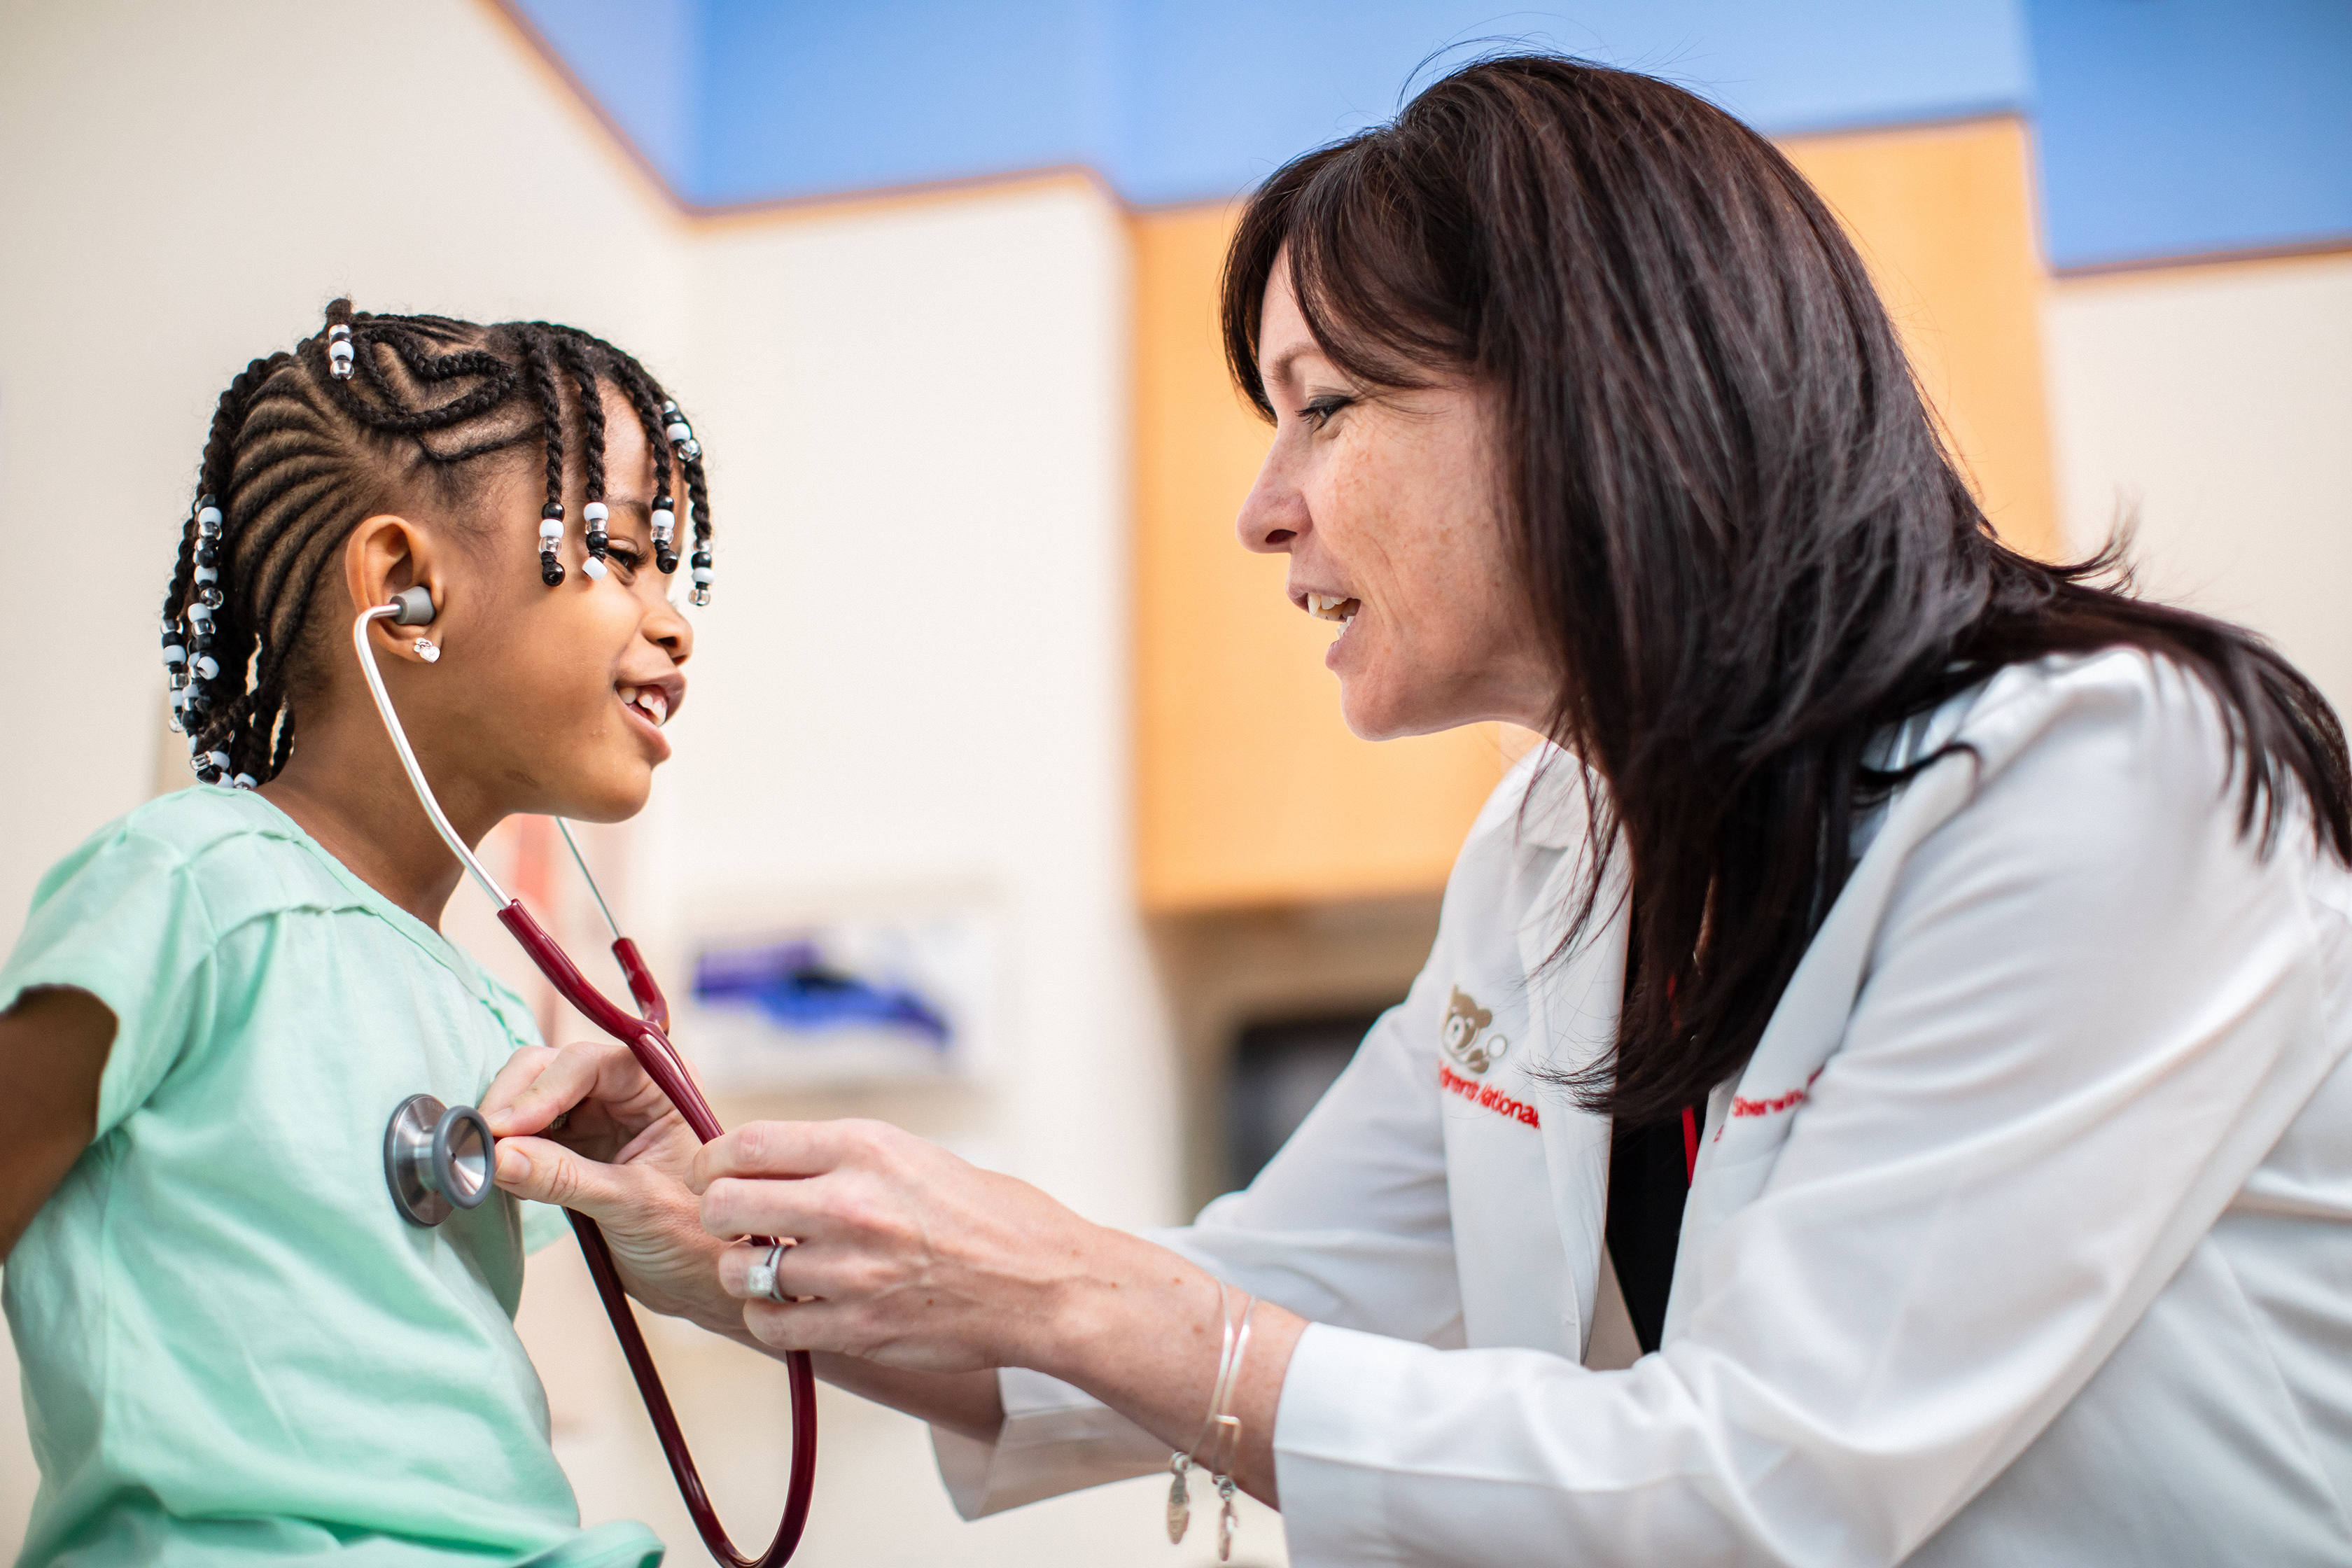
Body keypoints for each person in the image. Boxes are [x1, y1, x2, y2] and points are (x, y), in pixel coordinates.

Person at [485, 55, 2352, 1567]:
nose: (1263, 508)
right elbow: (1238, 1310)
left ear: (1590, 396)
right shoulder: (1555, 855)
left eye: (1327, 407)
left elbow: (1768, 1489)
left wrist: (1066, 1290)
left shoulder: (2100, 781)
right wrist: (732, 1237)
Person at [0, 302, 717, 1567]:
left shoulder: (494, 1022)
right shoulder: (192, 884)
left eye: (671, 566)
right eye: (611, 553)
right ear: (404, 588)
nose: (673, 621)